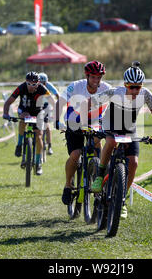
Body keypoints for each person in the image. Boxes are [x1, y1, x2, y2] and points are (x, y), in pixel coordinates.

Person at [89, 62, 152, 219]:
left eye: (138, 87)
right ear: (125, 85)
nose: (134, 90)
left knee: (134, 162)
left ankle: (121, 199)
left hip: (129, 129)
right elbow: (90, 102)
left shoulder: (145, 94)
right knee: (110, 142)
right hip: (110, 124)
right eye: (131, 87)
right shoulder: (116, 92)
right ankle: (99, 175)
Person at [56, 60, 112, 206]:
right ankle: (68, 185)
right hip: (74, 120)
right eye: (93, 77)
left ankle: (97, 176)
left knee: (97, 144)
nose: (96, 80)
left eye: (99, 77)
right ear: (87, 76)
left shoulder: (106, 88)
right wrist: (56, 119)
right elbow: (60, 102)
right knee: (75, 155)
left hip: (95, 122)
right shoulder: (75, 86)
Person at [3, 71, 55, 175]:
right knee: (22, 120)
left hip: (37, 111)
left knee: (39, 136)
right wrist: (6, 114)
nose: (31, 86)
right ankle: (19, 145)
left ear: (38, 83)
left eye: (34, 84)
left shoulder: (42, 88)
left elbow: (53, 102)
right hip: (24, 110)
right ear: (25, 82)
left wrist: (53, 114)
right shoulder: (21, 87)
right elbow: (8, 102)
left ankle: (38, 163)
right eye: (29, 84)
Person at [38, 72, 59, 156]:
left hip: (46, 105)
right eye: (41, 83)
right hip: (37, 105)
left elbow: (57, 94)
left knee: (46, 125)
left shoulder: (49, 85)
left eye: (44, 83)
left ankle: (49, 146)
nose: (43, 85)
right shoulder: (35, 85)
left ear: (46, 82)